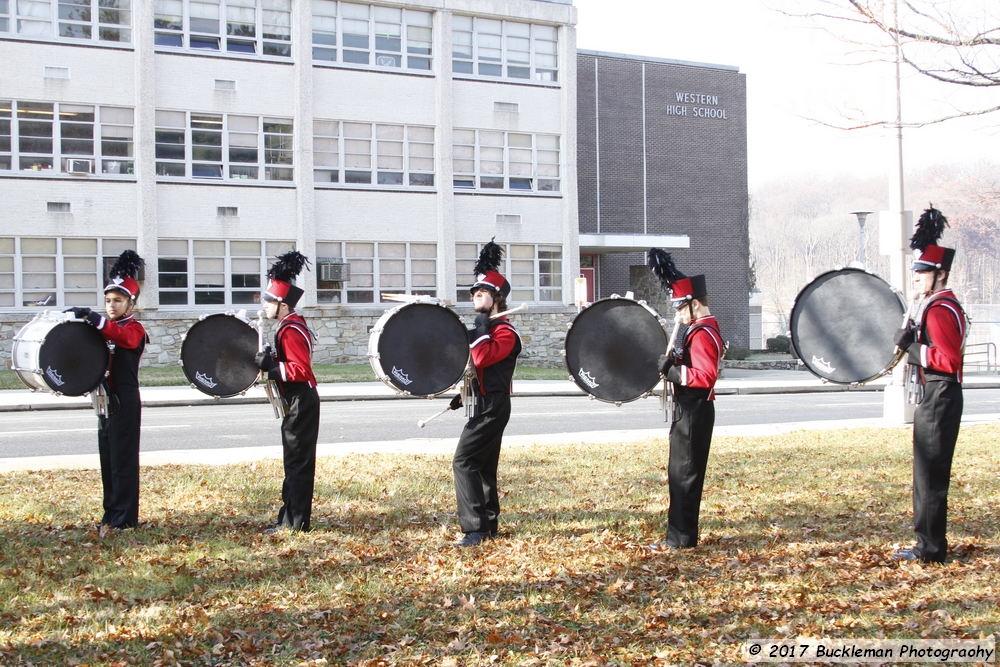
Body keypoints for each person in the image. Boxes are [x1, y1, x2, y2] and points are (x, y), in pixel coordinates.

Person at [892, 206, 966, 563]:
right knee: (926, 473)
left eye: (924, 272)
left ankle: (931, 548)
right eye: (916, 271)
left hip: (940, 392)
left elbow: (948, 360)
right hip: (935, 393)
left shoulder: (938, 309)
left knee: (929, 476)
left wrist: (913, 348)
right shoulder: (936, 305)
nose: (917, 277)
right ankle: (928, 543)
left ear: (941, 275)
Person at [647, 248, 724, 551]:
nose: (678, 315)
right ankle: (679, 536)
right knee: (679, 473)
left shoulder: (703, 332)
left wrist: (674, 371)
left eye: (681, 309)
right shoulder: (694, 329)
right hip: (687, 409)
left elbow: (705, 376)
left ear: (694, 304)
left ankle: (680, 540)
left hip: (695, 409)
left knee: (685, 476)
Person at [67, 250, 148, 538]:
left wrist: (95, 319)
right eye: (108, 301)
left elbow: (125, 338)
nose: (111, 305)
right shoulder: (106, 328)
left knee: (123, 462)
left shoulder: (134, 327)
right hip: (104, 400)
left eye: (118, 300)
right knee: (108, 460)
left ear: (131, 303)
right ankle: (111, 514)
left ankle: (125, 519)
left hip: (124, 400)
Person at [449, 241, 522, 547]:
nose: (474, 296)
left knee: (463, 461)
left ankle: (475, 528)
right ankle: (489, 524)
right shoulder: (485, 329)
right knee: (483, 465)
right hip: (481, 401)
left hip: (494, 405)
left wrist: (479, 330)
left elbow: (483, 358)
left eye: (481, 293)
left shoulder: (505, 332)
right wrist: (463, 393)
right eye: (473, 293)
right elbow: (472, 367)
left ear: (496, 299)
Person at [255, 251, 320, 532]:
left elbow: (302, 370)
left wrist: (272, 366)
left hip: (300, 399)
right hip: (295, 399)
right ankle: (288, 516)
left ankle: (296, 522)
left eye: (269, 301)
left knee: (297, 462)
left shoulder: (291, 329)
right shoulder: (286, 326)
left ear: (282, 304)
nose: (265, 305)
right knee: (292, 460)